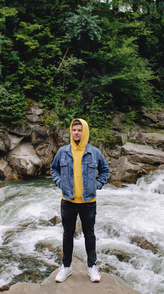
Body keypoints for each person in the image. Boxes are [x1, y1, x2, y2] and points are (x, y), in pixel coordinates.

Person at [50, 118, 110, 283]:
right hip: (68, 201)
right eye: (74, 130)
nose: (76, 133)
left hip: (88, 202)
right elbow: (53, 168)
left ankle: (92, 267)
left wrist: (97, 185)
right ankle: (66, 266)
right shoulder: (63, 151)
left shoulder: (94, 152)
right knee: (67, 234)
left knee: (89, 235)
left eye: (79, 130)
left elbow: (105, 170)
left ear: (85, 132)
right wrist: (60, 182)